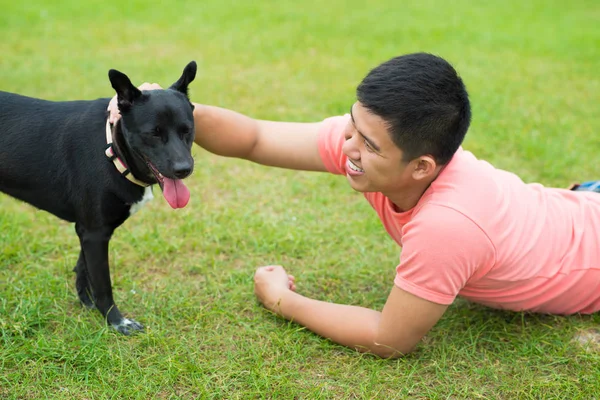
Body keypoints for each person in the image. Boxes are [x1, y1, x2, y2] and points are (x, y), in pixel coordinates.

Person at [108, 53, 600, 358]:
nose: (347, 148)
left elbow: (390, 337)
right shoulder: (366, 144)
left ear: (422, 167)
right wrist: (161, 104)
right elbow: (257, 138)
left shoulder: (448, 226)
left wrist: (283, 299)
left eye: (367, 144)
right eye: (351, 127)